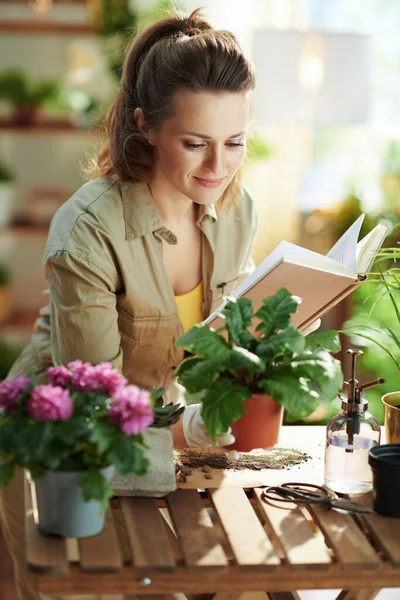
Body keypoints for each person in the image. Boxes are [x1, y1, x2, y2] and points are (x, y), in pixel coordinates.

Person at [0, 8, 260, 600]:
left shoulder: (237, 210)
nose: (218, 167)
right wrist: (194, 426)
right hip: (66, 447)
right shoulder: (88, 229)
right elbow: (95, 412)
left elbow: (224, 334)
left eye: (235, 142)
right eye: (195, 144)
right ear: (145, 125)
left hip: (166, 434)